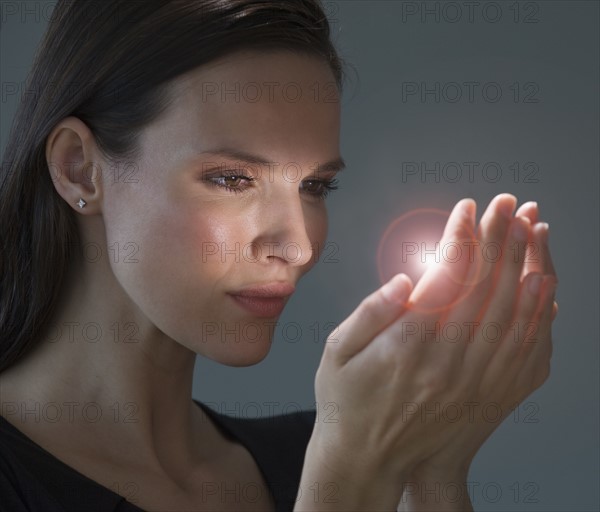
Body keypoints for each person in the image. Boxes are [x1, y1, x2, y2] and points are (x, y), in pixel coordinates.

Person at [0, 1, 558, 511]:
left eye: (315, 187)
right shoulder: (345, 456)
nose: (298, 247)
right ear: (80, 168)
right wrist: (349, 481)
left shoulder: (317, 448)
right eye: (231, 179)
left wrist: (431, 470)